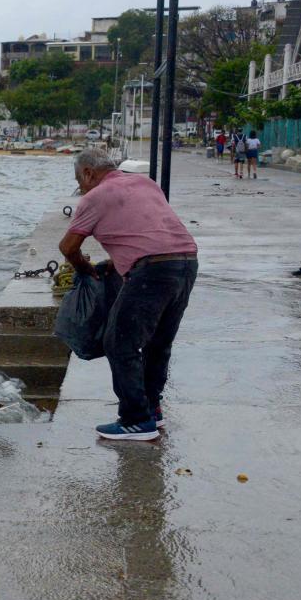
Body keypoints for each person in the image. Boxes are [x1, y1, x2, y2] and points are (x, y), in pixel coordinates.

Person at [58, 149, 198, 441]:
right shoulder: (145, 184)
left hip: (152, 272)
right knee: (158, 342)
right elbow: (147, 229)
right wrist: (117, 260)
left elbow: (68, 247)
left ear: (87, 173)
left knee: (119, 342)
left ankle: (135, 419)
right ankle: (152, 409)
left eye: (79, 181)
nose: (81, 188)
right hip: (185, 261)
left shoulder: (94, 196)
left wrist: (85, 269)